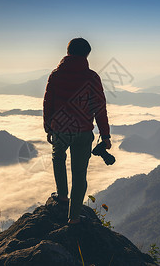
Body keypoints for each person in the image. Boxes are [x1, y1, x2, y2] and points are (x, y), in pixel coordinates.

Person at [43, 38, 111, 225]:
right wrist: (105, 135)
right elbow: (100, 108)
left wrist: (48, 126)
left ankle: (63, 196)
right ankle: (73, 218)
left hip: (60, 129)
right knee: (80, 173)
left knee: (58, 158)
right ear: (87, 54)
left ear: (67, 52)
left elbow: (48, 101)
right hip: (82, 131)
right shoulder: (92, 77)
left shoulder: (56, 75)